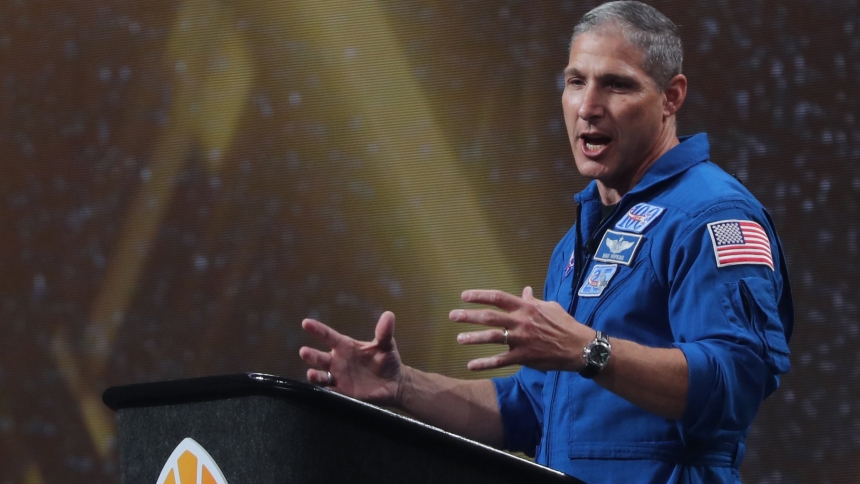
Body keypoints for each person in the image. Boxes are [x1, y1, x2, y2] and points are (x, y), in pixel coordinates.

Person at [299, 2, 793, 483]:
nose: (589, 107)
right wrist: (402, 386)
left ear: (671, 96)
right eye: (576, 82)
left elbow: (737, 379)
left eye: (616, 85)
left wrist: (589, 351)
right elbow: (532, 409)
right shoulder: (576, 244)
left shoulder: (712, 214)